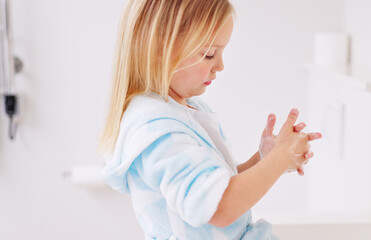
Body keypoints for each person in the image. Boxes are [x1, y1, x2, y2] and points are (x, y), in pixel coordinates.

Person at [98, 0, 322, 239]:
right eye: (209, 54)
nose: (220, 65)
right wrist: (281, 157)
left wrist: (264, 159)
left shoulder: (184, 110)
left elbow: (217, 186)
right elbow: (218, 207)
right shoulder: (157, 130)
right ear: (160, 50)